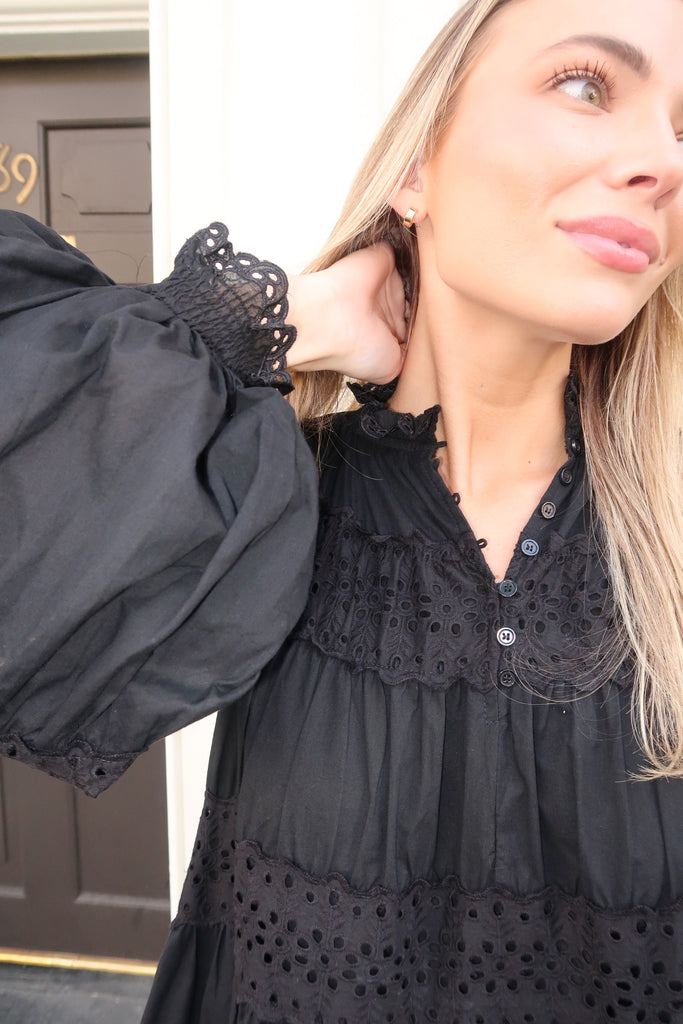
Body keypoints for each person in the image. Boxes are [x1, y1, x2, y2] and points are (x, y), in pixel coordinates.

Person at [1, 0, 682, 1021]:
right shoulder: (265, 496)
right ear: (416, 170)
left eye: (682, 131)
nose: (661, 163)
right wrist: (275, 318)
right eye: (585, 85)